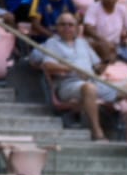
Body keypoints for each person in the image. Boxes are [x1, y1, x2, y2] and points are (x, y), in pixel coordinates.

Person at [32, 12, 116, 141]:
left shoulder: (83, 43)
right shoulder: (52, 43)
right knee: (89, 88)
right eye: (63, 24)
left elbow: (97, 69)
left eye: (71, 25)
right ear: (57, 27)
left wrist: (106, 60)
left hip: (92, 80)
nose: (67, 28)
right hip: (68, 84)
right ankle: (97, 131)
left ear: (77, 28)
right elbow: (47, 65)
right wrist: (71, 68)